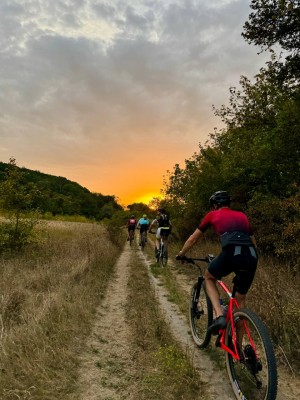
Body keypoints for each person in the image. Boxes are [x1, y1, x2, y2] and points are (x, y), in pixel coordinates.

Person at [176, 191, 258, 335]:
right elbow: (253, 241)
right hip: (251, 256)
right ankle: (239, 350)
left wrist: (182, 254)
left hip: (232, 252)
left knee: (209, 277)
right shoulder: (242, 216)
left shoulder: (212, 215)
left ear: (214, 205)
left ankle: (219, 316)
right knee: (239, 302)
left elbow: (193, 239)